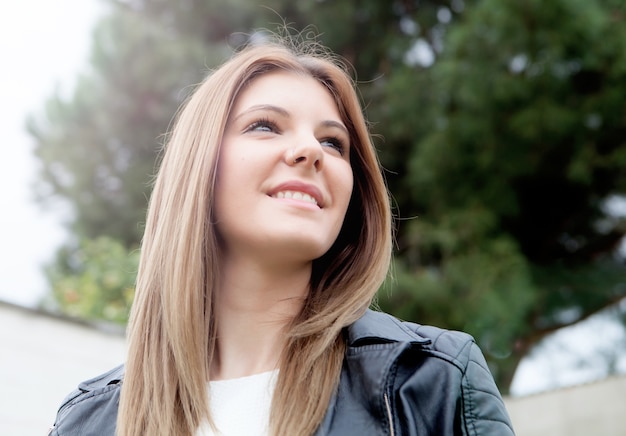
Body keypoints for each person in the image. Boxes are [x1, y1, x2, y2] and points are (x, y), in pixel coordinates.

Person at [49, 35, 515, 436]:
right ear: (197, 170)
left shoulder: (432, 380)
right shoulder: (86, 421)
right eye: (265, 126)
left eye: (333, 142)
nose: (311, 150)